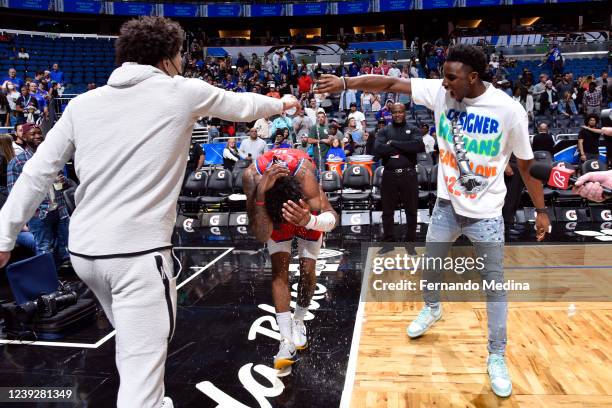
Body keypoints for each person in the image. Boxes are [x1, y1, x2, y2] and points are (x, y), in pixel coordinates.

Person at [0, 16, 299, 408]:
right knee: (142, 373)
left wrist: (4, 236)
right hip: (135, 257)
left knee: (132, 344)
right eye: (180, 56)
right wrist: (284, 102)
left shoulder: (82, 104)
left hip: (86, 255)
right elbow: (243, 105)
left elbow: (38, 171)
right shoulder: (181, 91)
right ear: (168, 58)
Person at [315, 43, 550, 398]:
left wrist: (541, 210)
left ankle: (496, 356)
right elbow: (390, 86)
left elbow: (525, 164)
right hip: (445, 206)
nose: (444, 84)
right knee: (431, 268)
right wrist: (347, 83)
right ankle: (432, 309)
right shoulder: (442, 91)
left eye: (451, 78)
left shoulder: (508, 110)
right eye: (443, 76)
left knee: (495, 287)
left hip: (486, 216)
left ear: (473, 78)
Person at [242, 148, 338, 375]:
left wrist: (310, 220)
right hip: (268, 209)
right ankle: (285, 341)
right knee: (279, 271)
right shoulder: (251, 177)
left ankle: (299, 320)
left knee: (308, 270)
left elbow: (332, 217)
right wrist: (260, 199)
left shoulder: (304, 173)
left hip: (304, 212)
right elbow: (261, 234)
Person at [374, 103, 424, 251]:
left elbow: (418, 146)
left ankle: (410, 244)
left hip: (409, 175)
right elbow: (378, 149)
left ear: (405, 113)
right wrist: (405, 148)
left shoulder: (413, 129)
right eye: (395, 112)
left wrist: (394, 144)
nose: (398, 115)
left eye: (400, 112)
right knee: (388, 211)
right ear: (391, 113)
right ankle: (388, 244)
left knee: (411, 210)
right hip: (389, 175)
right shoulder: (384, 131)